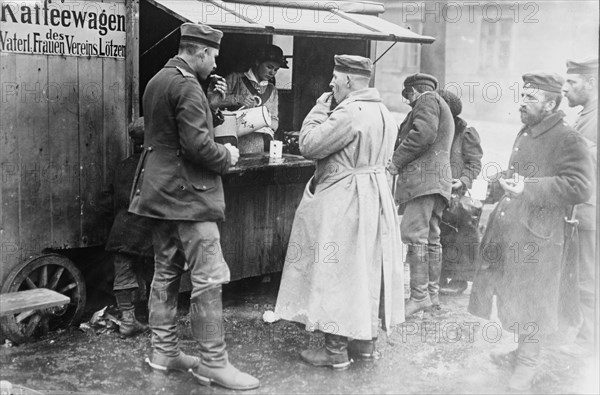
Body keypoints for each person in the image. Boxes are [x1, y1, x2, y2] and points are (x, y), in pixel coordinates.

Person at [128, 22, 259, 390]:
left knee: (166, 273)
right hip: (190, 198)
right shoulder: (186, 85)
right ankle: (214, 364)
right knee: (209, 278)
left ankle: (164, 352)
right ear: (199, 51)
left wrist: (209, 104)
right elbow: (199, 147)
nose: (215, 63)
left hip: (160, 195)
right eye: (213, 55)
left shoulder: (160, 79)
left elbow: (166, 133)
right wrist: (228, 154)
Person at [274, 55, 405, 369]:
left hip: (346, 198)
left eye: (335, 77)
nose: (331, 83)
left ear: (348, 80)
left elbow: (309, 144)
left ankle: (334, 350)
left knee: (338, 270)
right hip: (374, 196)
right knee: (365, 270)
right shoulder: (383, 111)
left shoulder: (349, 112)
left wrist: (321, 106)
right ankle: (364, 343)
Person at [468, 72, 594, 391]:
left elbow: (580, 187)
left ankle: (529, 360)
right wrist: (493, 188)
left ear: (550, 103)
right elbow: (518, 175)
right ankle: (521, 350)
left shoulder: (568, 138)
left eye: (529, 99)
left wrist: (529, 187)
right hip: (514, 227)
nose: (521, 104)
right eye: (522, 97)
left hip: (541, 234)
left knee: (534, 297)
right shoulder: (528, 131)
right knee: (513, 291)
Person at [387, 73, 455, 316]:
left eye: (407, 95)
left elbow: (423, 135)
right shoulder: (439, 103)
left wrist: (396, 161)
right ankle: (431, 297)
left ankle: (418, 297)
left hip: (423, 182)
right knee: (430, 238)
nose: (407, 100)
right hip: (437, 182)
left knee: (414, 236)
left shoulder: (426, 100)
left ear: (414, 90)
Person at [559, 57, 598, 358]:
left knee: (588, 276)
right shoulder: (585, 114)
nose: (565, 88)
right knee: (578, 273)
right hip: (580, 207)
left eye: (572, 82)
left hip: (590, 208)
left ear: (592, 83)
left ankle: (590, 341)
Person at [105, 117, 154, 337]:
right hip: (147, 231)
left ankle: (127, 320)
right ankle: (156, 317)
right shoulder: (156, 166)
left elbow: (110, 198)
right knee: (156, 273)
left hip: (121, 229)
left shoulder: (122, 166)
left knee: (123, 274)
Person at [437, 90, 483, 294]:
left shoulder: (466, 132)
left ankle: (459, 279)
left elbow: (474, 163)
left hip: (456, 195)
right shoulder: (432, 128)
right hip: (435, 191)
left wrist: (463, 181)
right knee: (436, 235)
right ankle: (436, 276)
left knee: (459, 236)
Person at [209, 44, 288, 153]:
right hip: (231, 144)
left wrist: (262, 120)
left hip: (260, 146)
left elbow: (275, 122)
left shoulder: (272, 90)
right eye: (269, 67)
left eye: (276, 70)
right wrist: (237, 99)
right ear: (257, 62)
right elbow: (212, 102)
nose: (272, 73)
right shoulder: (235, 79)